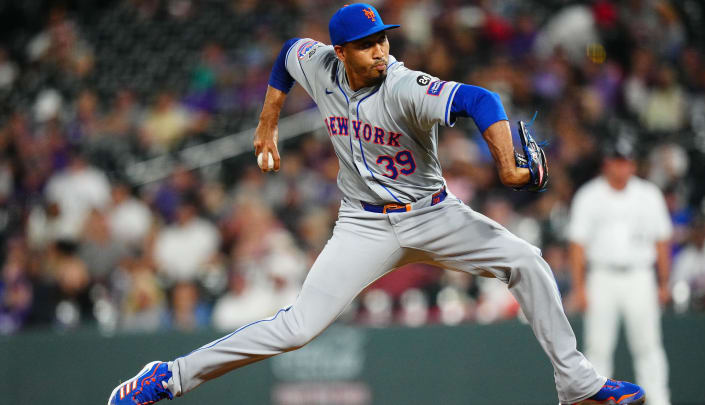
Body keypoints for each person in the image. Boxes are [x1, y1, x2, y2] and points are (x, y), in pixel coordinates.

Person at [108, 4, 645, 405]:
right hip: (362, 227)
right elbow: (285, 56)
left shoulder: (405, 85)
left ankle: (577, 384)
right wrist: (267, 121)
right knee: (297, 328)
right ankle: (168, 376)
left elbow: (481, 100)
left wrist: (506, 163)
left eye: (384, 40)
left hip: (434, 215)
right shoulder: (317, 62)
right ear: (339, 52)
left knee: (527, 261)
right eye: (368, 45)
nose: (382, 51)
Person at [567, 139, 672, 405]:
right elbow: (578, 245)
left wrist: (663, 282)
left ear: (633, 164)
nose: (622, 167)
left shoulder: (648, 194)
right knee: (598, 348)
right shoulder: (589, 195)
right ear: (606, 163)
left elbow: (662, 241)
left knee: (648, 346)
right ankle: (599, 401)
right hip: (602, 276)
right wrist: (580, 288)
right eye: (617, 161)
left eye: (626, 161)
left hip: (640, 276)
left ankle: (658, 400)